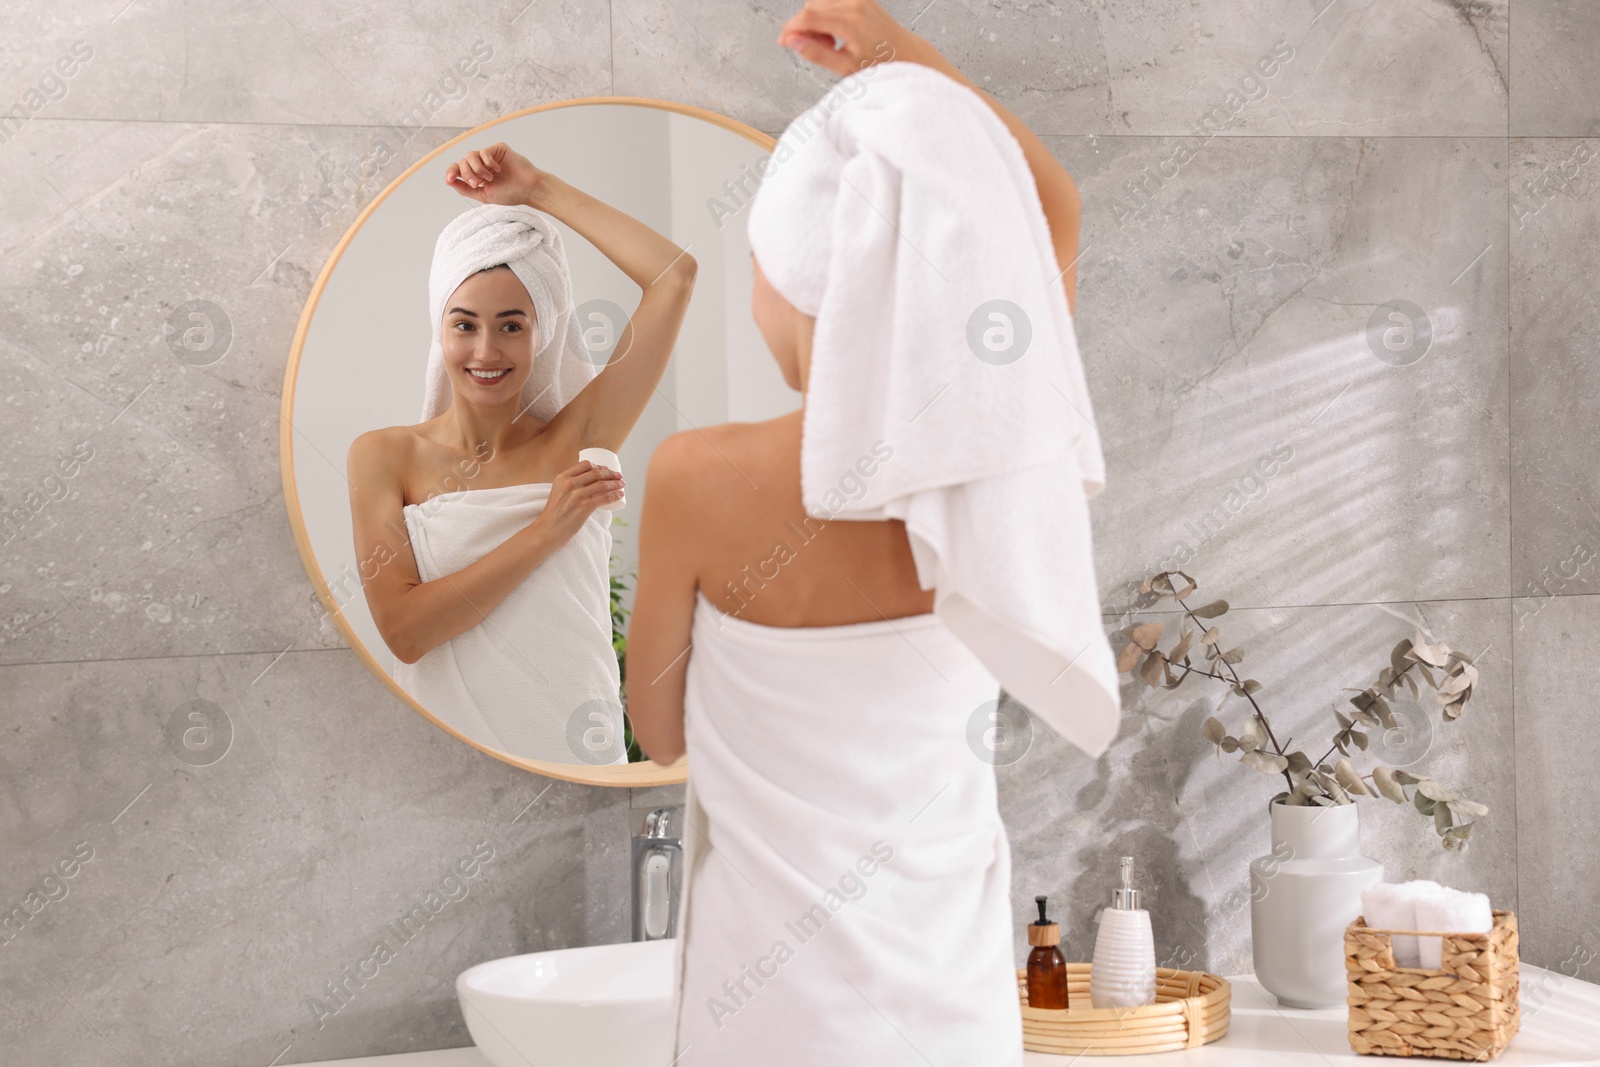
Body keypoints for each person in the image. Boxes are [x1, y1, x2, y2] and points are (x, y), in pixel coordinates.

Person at [624, 0, 1105, 1063]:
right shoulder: (991, 466)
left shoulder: (696, 474)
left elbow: (658, 730)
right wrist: (905, 62)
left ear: (793, 284)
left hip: (762, 1016)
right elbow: (1047, 216)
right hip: (950, 1017)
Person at [347, 143, 696, 761]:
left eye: (512, 325)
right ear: (440, 329)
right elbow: (405, 631)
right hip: (448, 770)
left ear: (545, 331)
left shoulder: (577, 439)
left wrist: (538, 189)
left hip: (579, 764)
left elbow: (674, 276)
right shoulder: (384, 457)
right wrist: (545, 531)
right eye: (464, 325)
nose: (486, 351)